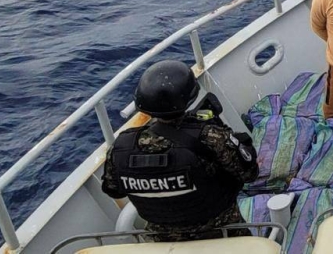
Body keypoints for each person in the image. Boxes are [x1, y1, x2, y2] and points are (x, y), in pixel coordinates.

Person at [101, 60, 258, 242]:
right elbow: (249, 174)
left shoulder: (122, 148)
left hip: (164, 241)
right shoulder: (211, 137)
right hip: (223, 234)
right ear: (190, 96)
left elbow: (113, 190)